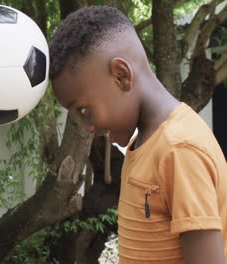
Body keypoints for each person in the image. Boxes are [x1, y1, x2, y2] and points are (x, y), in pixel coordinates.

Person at [49, 6, 227, 264]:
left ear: (121, 76)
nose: (87, 126)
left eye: (84, 109)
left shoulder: (179, 149)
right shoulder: (144, 143)